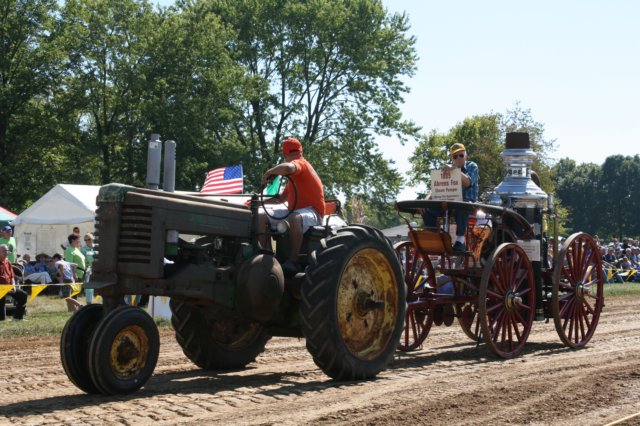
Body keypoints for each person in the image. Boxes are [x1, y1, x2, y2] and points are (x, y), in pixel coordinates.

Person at [260, 137, 325, 273]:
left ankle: (293, 261)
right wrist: (258, 203)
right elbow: (280, 199)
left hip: (313, 212)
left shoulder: (301, 164)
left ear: (285, 155)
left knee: (295, 217)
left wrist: (270, 172)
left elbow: (289, 167)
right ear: (301, 150)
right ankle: (267, 257)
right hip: (296, 211)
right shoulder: (294, 178)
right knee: (261, 215)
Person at [422, 142, 479, 253]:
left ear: (466, 155)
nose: (458, 158)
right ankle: (438, 237)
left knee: (461, 205)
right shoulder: (446, 169)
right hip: (449, 202)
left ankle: (460, 241)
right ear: (452, 158)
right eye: (455, 156)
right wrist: (426, 199)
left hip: (467, 203)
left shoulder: (472, 166)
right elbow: (437, 187)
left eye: (461, 155)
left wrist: (453, 169)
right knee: (426, 209)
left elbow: (467, 182)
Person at [0, 244, 28, 321]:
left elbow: (12, 276)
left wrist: (13, 286)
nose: (6, 252)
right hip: (0, 289)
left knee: (23, 295)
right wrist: (3, 288)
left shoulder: (8, 262)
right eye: (4, 251)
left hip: (9, 287)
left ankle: (18, 317)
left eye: (7, 251)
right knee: (1, 318)